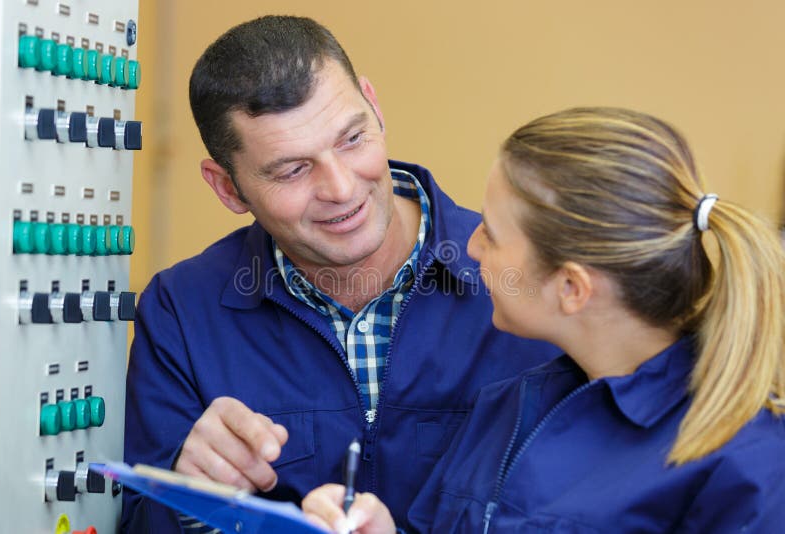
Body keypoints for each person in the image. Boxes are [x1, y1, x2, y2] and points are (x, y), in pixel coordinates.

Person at [121, 15, 560, 532]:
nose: (342, 188)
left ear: (374, 106)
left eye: (352, 139)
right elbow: (133, 520)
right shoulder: (180, 312)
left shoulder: (531, 281)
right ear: (228, 188)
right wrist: (186, 496)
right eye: (292, 170)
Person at [302, 107, 785, 533]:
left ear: (572, 288)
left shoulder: (748, 464)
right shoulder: (509, 405)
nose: (470, 248)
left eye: (491, 233)